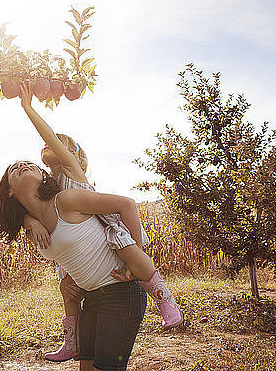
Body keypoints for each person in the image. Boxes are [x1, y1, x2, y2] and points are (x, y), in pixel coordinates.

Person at [18, 82, 184, 362]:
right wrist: (27, 221)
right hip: (89, 269)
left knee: (131, 254)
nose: (46, 144)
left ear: (68, 152)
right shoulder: (50, 190)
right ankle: (72, 340)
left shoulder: (71, 170)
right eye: (44, 144)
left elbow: (125, 206)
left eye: (56, 143)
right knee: (67, 290)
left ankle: (165, 300)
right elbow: (21, 206)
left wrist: (28, 108)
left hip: (113, 228)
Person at [0, 159, 147, 371]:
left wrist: (135, 257)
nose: (23, 165)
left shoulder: (65, 200)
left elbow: (126, 204)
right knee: (86, 368)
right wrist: (31, 222)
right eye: (14, 168)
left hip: (121, 292)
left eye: (28, 163)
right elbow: (73, 253)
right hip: (91, 299)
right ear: (9, 191)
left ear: (43, 175)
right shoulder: (32, 228)